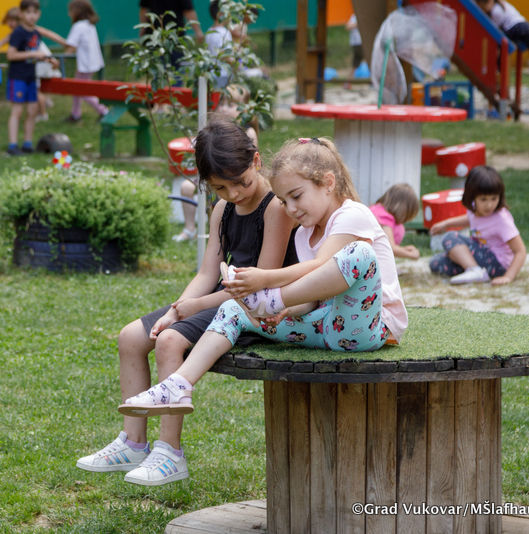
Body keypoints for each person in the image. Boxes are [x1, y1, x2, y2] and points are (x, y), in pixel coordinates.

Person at [117, 138, 409, 478]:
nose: (291, 209)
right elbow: (314, 297)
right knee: (237, 310)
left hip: (369, 328)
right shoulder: (304, 235)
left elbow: (323, 267)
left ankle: (266, 300)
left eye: (296, 196)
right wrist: (285, 311)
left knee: (359, 255)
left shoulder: (353, 215)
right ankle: (179, 385)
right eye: (284, 201)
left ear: (328, 182)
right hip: (326, 327)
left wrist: (267, 284)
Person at [76, 116, 297, 486]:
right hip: (222, 297)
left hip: (253, 309)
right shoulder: (222, 210)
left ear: (257, 161)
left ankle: (170, 453)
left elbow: (258, 287)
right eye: (220, 187)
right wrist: (177, 309)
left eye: (240, 182)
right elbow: (207, 273)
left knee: (169, 340)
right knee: (131, 337)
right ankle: (133, 443)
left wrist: (189, 311)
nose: (234, 194)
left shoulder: (275, 207)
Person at [173, 84, 258, 242]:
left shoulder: (248, 132)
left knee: (224, 193)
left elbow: (250, 163)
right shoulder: (216, 133)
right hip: (216, 178)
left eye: (230, 105)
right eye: (222, 104)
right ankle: (190, 228)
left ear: (245, 108)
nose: (224, 109)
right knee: (186, 187)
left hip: (231, 178)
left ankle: (225, 230)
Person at [429, 165, 526, 285]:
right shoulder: (475, 210)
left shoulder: (502, 220)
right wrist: (446, 224)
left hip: (497, 264)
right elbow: (470, 219)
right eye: (483, 199)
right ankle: (473, 271)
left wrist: (508, 277)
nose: (489, 205)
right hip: (481, 259)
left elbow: (520, 251)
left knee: (450, 238)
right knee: (436, 263)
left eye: (494, 198)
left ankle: (474, 271)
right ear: (472, 196)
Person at [0, 7, 65, 123]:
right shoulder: (17, 33)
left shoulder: (27, 31)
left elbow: (48, 34)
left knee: (36, 89)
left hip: (40, 60)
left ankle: (43, 113)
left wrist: (65, 43)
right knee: (35, 88)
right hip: (34, 61)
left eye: (13, 20)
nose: (10, 23)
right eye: (8, 20)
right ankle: (43, 105)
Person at [6, 0, 52, 156]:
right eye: (28, 12)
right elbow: (11, 55)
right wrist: (33, 54)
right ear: (21, 14)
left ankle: (27, 144)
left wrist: (50, 61)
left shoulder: (36, 33)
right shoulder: (18, 33)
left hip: (31, 77)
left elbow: (37, 54)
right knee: (17, 111)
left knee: (33, 111)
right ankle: (13, 146)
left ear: (39, 14)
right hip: (17, 77)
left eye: (34, 13)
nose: (31, 16)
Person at [63, 0, 108, 123]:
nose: (69, 14)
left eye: (71, 11)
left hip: (86, 65)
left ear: (77, 11)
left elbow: (71, 46)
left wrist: (62, 59)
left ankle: (104, 111)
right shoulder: (89, 25)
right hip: (92, 63)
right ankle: (76, 114)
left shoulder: (79, 26)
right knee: (78, 88)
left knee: (82, 90)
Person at [477, 0, 529, 76]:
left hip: (513, 28)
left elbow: (495, 31)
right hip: (526, 26)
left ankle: (496, 67)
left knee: (499, 44)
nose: (483, 10)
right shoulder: (503, 4)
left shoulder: (496, 11)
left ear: (490, 1)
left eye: (482, 7)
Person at [369, 183, 421, 260]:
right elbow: (389, 247)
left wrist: (404, 249)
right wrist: (411, 254)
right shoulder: (385, 218)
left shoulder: (375, 209)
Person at [205, 0, 233, 89]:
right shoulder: (224, 32)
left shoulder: (209, 31)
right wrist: (235, 67)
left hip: (211, 73)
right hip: (223, 74)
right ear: (221, 14)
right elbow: (224, 54)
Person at [345, 13, 362, 90]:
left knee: (356, 63)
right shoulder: (354, 16)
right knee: (355, 63)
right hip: (357, 43)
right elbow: (348, 26)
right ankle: (348, 82)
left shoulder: (359, 16)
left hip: (360, 42)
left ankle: (348, 82)